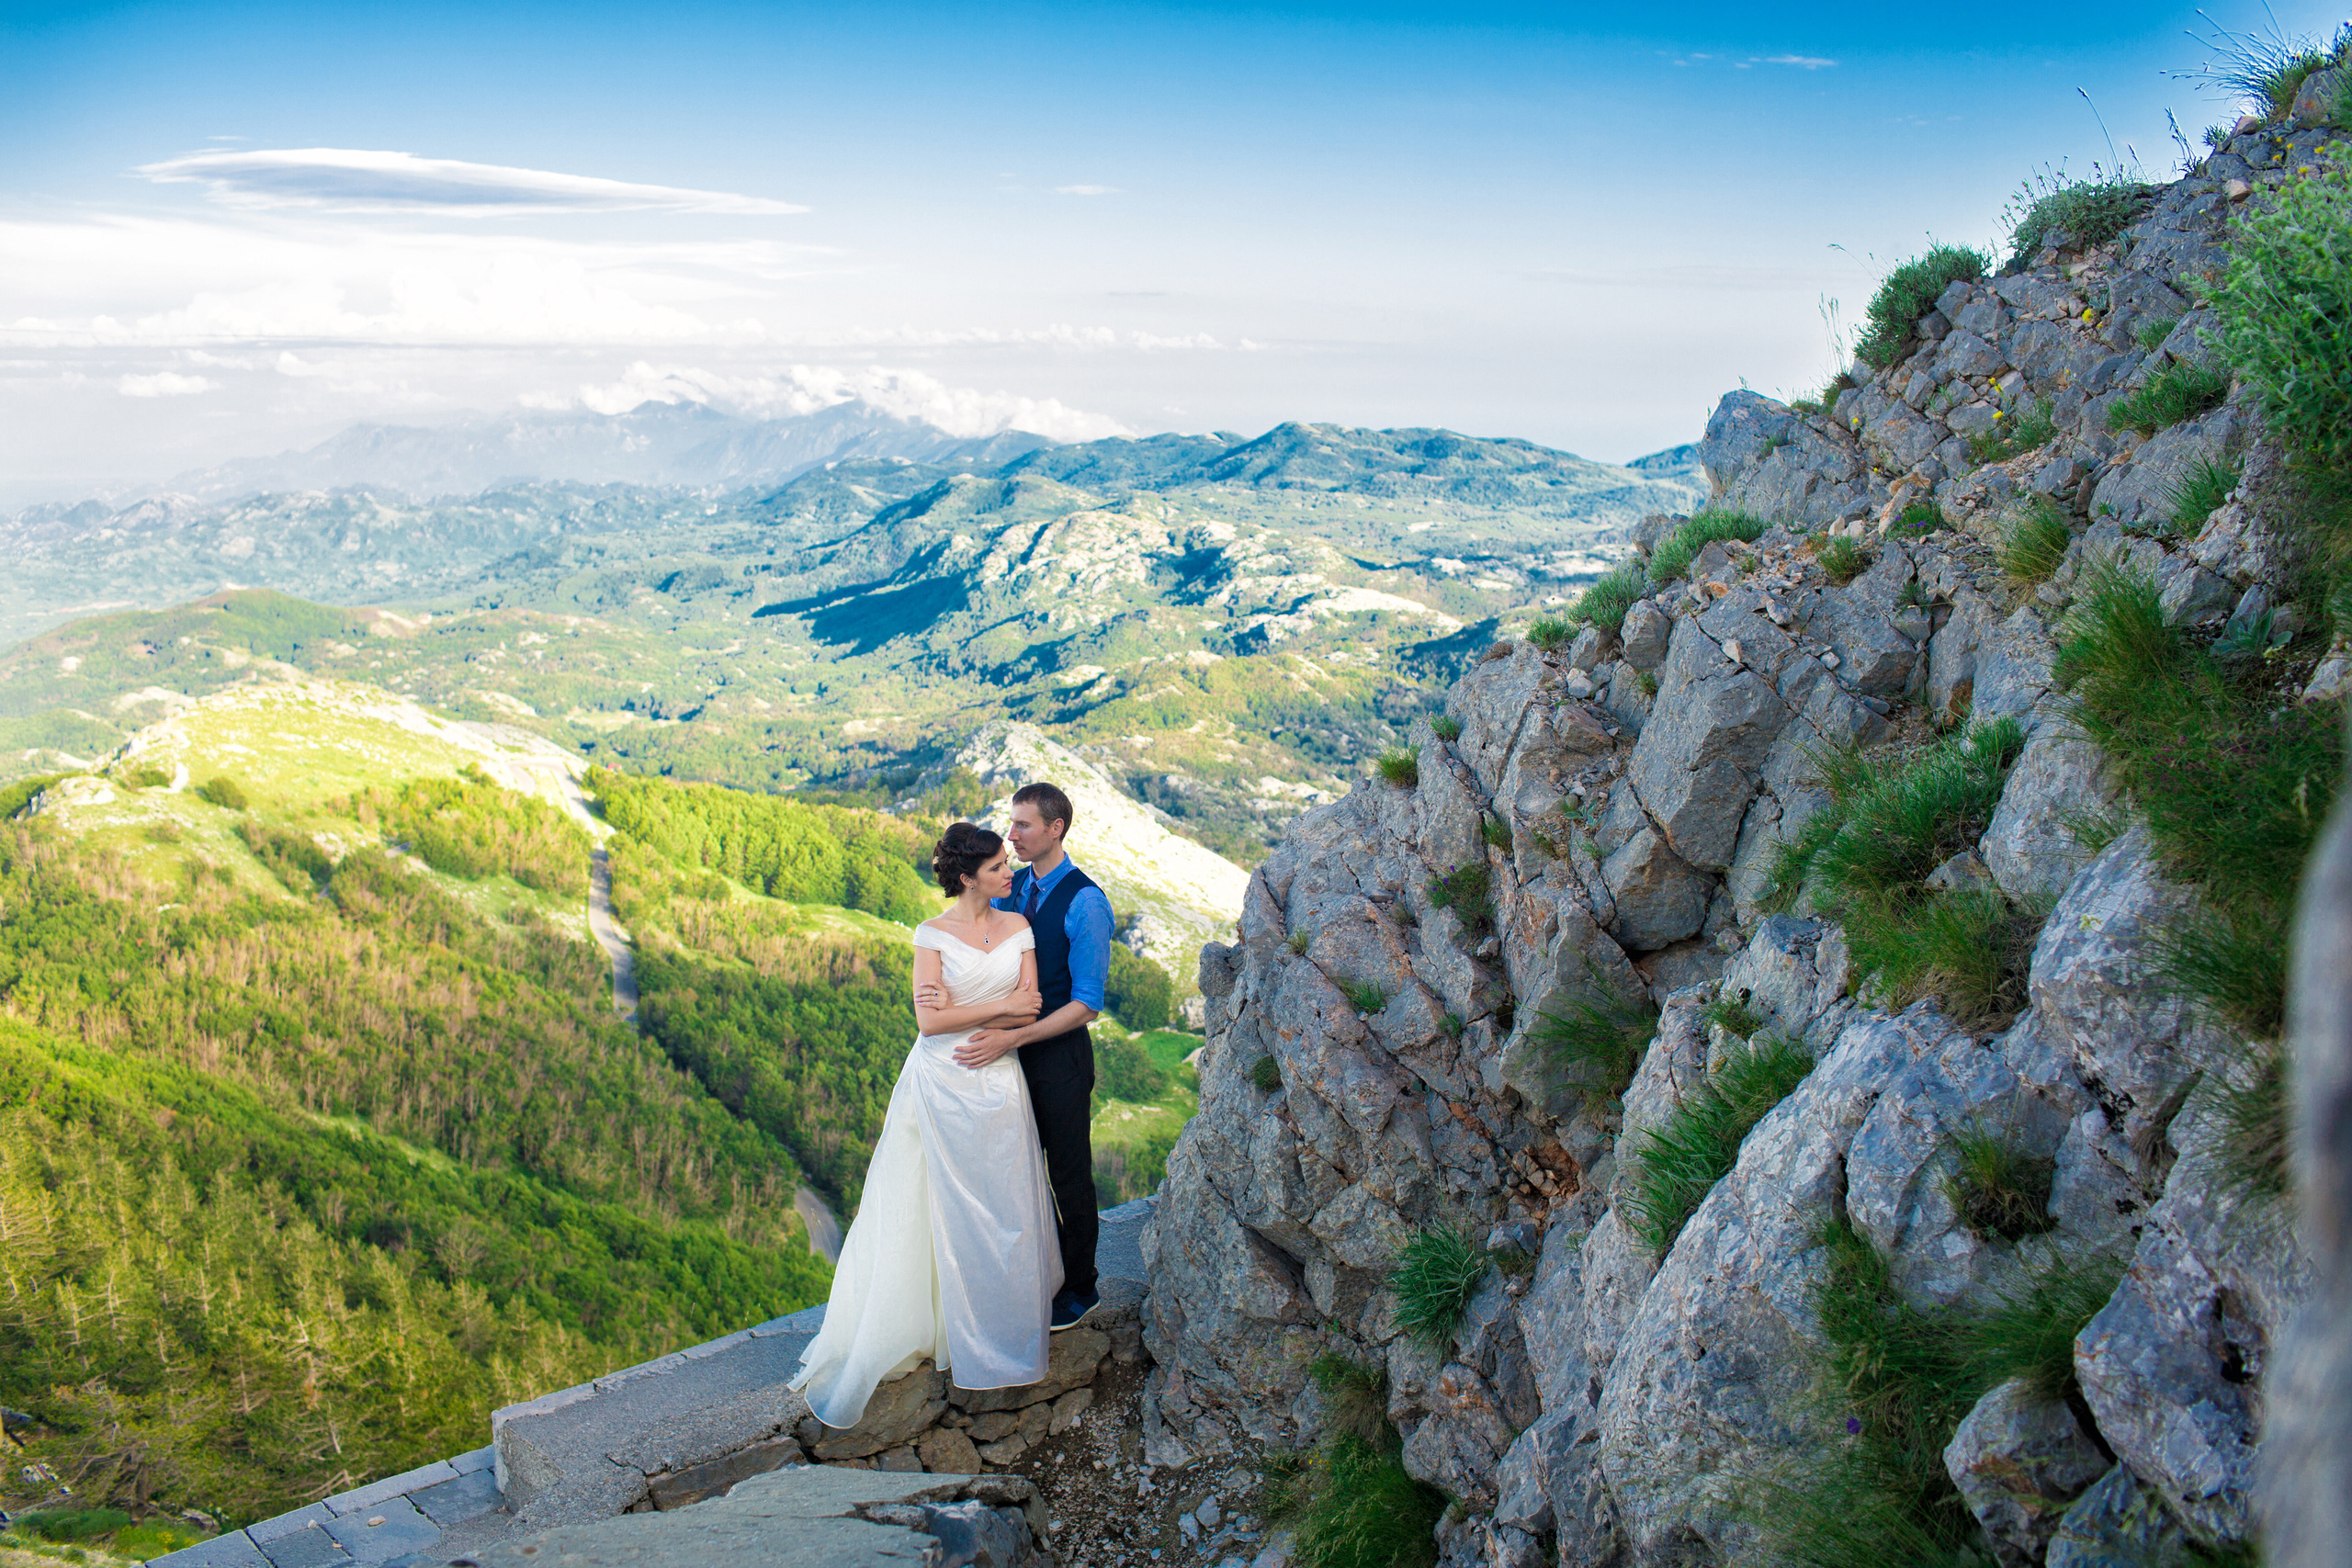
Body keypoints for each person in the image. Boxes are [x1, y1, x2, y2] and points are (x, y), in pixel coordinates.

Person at [788, 823, 1063, 1427]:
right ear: (967, 877)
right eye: (996, 867)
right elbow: (931, 1023)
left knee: (1003, 1200)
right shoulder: (930, 934)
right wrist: (999, 1010)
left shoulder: (1017, 927)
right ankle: (932, 1323)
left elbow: (1032, 1003)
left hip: (999, 1077)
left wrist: (993, 1024)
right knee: (923, 1203)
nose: (1008, 871)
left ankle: (996, 1321)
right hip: (941, 1081)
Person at [928, 781, 1112, 1332]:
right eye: (1011, 824)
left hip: (1057, 1057)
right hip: (1005, 1060)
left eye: (1024, 825)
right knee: (1012, 1172)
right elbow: (978, 949)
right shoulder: (1010, 889)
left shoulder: (1087, 901)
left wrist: (1012, 1038)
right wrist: (942, 990)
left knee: (1068, 1173)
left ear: (1056, 829)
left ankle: (1081, 1287)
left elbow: (1086, 1004)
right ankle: (1025, 1275)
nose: (1012, 835)